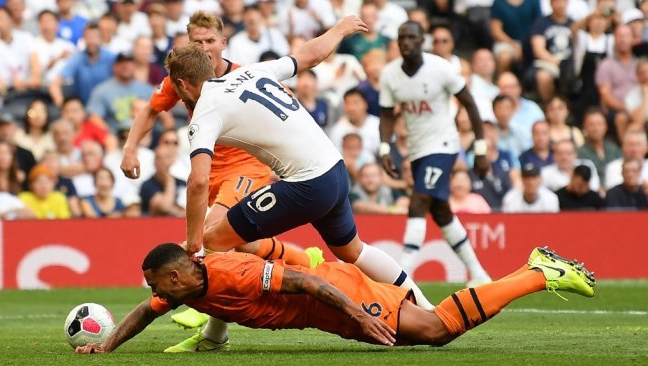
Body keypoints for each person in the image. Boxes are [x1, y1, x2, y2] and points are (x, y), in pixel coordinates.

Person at [165, 17, 435, 322]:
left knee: (215, 241)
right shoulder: (253, 71)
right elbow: (310, 55)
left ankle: (217, 333)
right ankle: (428, 306)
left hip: (307, 184)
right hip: (335, 171)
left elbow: (199, 181)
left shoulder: (205, 110)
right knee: (353, 251)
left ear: (182, 84)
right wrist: (340, 29)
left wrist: (194, 241)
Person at [119, 11, 338, 351]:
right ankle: (303, 260)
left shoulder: (242, 76)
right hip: (212, 171)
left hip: (246, 169)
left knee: (210, 237)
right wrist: (130, 149)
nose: (204, 48)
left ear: (223, 43)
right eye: (197, 41)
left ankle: (206, 323)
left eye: (209, 41)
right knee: (238, 244)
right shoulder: (184, 78)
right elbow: (150, 110)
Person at [74, 243, 596, 354]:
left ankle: (537, 272)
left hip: (335, 295)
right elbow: (144, 313)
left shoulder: (231, 272)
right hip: (326, 310)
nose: (152, 290)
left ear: (179, 273)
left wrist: (362, 319)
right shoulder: (187, 287)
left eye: (156, 281)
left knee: (435, 331)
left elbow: (310, 284)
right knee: (432, 328)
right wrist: (107, 346)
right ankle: (536, 270)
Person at [379, 21, 491, 286]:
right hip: (417, 150)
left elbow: (470, 104)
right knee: (440, 212)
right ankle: (479, 274)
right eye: (401, 37)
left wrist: (481, 148)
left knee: (418, 202)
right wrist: (385, 147)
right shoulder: (389, 75)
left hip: (443, 145)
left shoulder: (441, 68)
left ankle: (402, 277)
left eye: (412, 37)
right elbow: (385, 114)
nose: (406, 42)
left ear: (422, 41)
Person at [577, 108, 622, 187]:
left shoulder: (613, 148)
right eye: (591, 125)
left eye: (599, 124)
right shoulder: (580, 152)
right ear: (584, 127)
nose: (596, 128)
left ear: (605, 126)